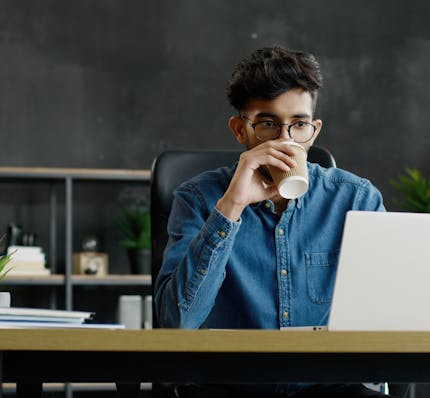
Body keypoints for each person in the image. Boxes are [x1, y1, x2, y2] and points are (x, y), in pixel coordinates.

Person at [154, 45, 387, 398]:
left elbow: (389, 314)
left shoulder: (357, 200)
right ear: (239, 129)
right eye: (267, 124)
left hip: (329, 388)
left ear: (315, 130)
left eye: (299, 125)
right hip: (230, 388)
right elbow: (177, 322)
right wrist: (231, 207)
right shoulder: (197, 199)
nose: (285, 140)